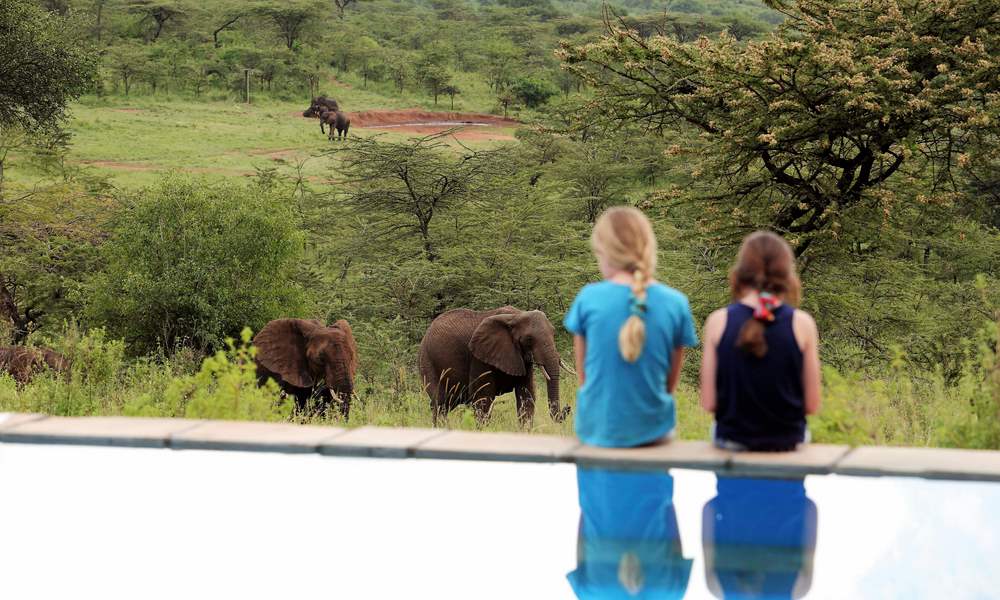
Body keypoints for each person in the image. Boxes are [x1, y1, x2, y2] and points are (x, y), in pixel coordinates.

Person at [564, 207, 698, 447]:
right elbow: (669, 386)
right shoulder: (676, 303)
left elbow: (585, 381)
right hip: (654, 433)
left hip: (597, 431)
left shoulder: (588, 298)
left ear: (604, 251)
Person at [700, 231, 821, 451]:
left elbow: (709, 403)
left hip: (733, 441)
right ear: (786, 275)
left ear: (741, 272)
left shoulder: (718, 321)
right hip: (786, 443)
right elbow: (812, 405)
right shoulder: (803, 324)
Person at [567, 467, 692, 599]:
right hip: (599, 484)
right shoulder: (589, 595)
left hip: (650, 482)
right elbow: (582, 539)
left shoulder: (671, 594)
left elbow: (672, 529)